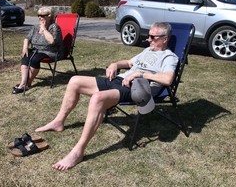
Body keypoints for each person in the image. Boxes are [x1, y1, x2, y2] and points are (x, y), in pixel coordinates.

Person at [35, 22, 179, 171]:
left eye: (152, 37)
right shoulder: (148, 50)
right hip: (119, 80)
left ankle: (78, 151)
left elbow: (168, 79)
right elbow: (129, 63)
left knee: (98, 98)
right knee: (74, 81)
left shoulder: (169, 57)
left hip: (135, 88)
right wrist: (115, 64)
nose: (148, 39)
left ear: (165, 39)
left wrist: (141, 74)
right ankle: (59, 122)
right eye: (148, 36)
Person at [12, 6, 64, 94]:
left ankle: (27, 83)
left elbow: (52, 41)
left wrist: (44, 29)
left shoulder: (54, 27)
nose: (40, 17)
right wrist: (25, 47)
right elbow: (27, 38)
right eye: (38, 15)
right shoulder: (36, 27)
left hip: (51, 51)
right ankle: (23, 83)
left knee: (35, 59)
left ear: (49, 16)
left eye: (42, 15)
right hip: (37, 50)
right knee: (26, 56)